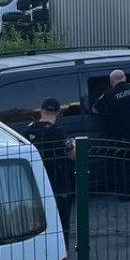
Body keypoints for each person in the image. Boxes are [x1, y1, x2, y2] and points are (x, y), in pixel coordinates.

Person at [93, 69, 130, 197]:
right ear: (124, 77)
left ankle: (126, 194)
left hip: (121, 136)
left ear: (111, 81)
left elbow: (95, 109)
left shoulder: (109, 94)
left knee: (123, 165)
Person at [25, 97, 76, 244]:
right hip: (59, 184)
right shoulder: (58, 133)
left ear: (41, 110)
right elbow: (73, 155)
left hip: (36, 183)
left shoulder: (28, 131)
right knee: (61, 223)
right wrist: (75, 145)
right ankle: (61, 251)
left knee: (39, 223)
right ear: (58, 112)